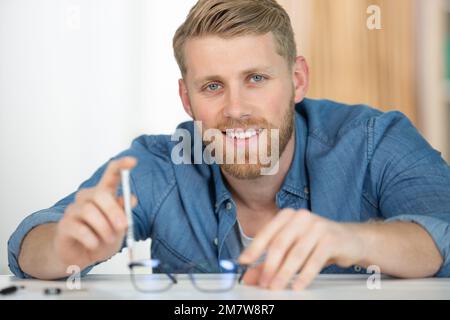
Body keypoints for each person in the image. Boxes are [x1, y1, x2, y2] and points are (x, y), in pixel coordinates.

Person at [8, 0, 450, 291]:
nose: (236, 109)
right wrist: (64, 251)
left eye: (256, 79)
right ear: (186, 98)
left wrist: (352, 240)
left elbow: (443, 232)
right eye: (213, 86)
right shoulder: (161, 162)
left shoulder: (373, 140)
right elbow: (29, 245)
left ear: (297, 80)